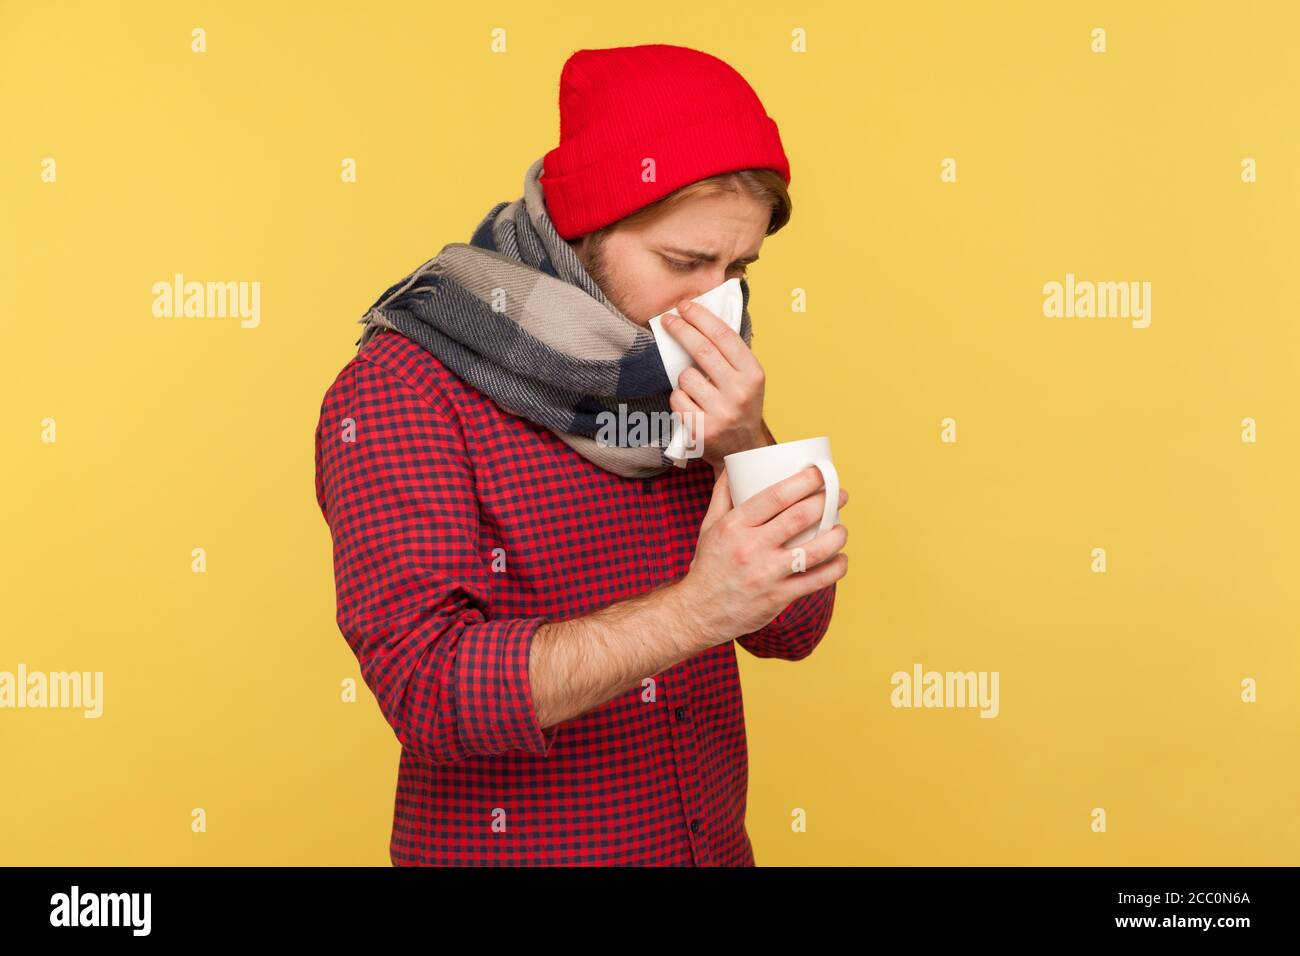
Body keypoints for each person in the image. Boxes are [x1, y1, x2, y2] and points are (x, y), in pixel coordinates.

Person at [314, 43, 849, 866]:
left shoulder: (683, 371)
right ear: (582, 232)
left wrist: (742, 441)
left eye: (738, 267)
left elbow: (796, 627)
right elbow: (429, 691)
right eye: (684, 262)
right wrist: (696, 610)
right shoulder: (404, 388)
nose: (714, 300)